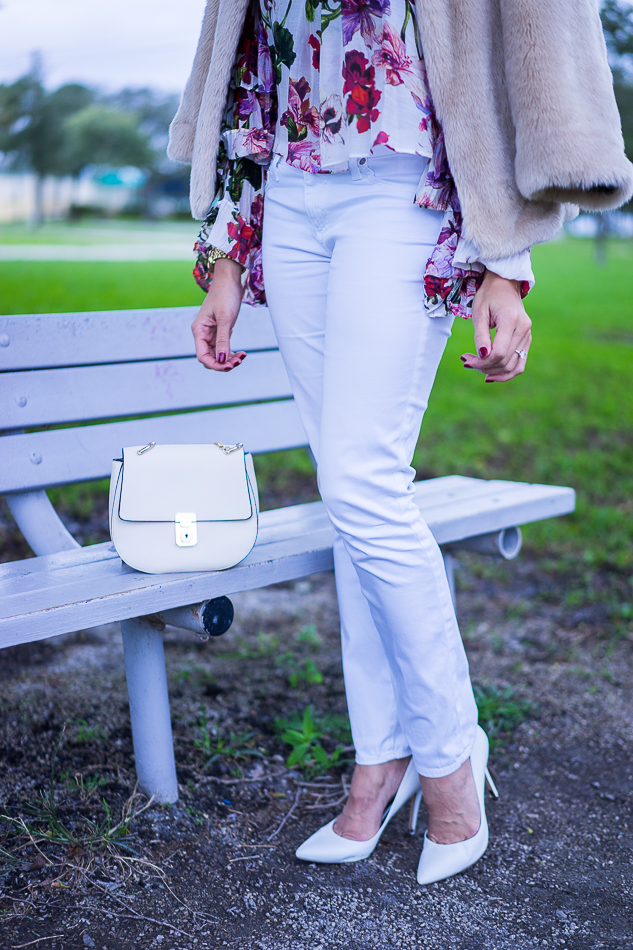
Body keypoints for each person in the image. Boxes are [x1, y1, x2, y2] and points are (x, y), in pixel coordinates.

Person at [169, 0, 633, 884]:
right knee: (352, 495)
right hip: (288, 199)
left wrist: (508, 263)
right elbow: (247, 68)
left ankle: (450, 759)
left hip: (407, 183)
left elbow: (528, 48)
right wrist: (228, 260)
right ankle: (378, 758)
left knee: (360, 484)